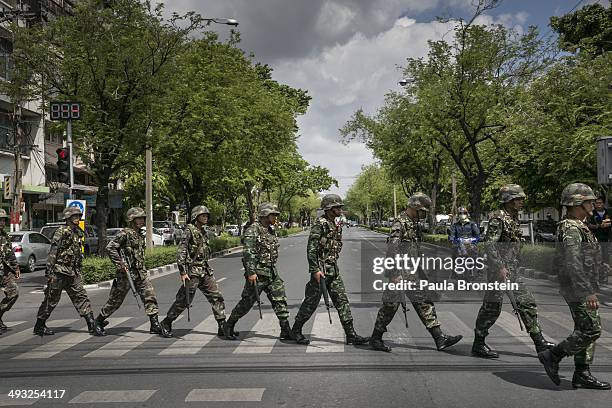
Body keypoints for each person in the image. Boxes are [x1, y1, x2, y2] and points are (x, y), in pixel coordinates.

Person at [369, 193, 463, 352]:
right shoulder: (400, 223)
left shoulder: (414, 224)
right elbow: (392, 249)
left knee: (424, 302)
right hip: (400, 274)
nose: (424, 215)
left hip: (412, 274)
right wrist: (393, 274)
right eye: (423, 211)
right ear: (414, 207)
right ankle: (375, 338)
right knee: (389, 306)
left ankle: (439, 338)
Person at [538, 183, 610, 389]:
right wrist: (587, 291)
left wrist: (603, 267)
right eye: (589, 200)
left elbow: (585, 257)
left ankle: (582, 373)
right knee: (591, 329)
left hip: (583, 285)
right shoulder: (571, 228)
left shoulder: (580, 225)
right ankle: (552, 355)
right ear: (578, 203)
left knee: (584, 328)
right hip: (577, 288)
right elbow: (573, 262)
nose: (593, 203)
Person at [471, 184, 554, 358]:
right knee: (491, 308)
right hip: (499, 272)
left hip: (512, 271)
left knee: (526, 303)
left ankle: (539, 341)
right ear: (508, 200)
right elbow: (490, 244)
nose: (521, 202)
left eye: (521, 199)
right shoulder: (498, 219)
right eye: (518, 199)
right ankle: (478, 343)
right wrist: (500, 267)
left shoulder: (512, 217)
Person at [292, 194, 369, 346]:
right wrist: (314, 269)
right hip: (320, 272)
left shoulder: (334, 223)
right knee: (311, 302)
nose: (340, 209)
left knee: (342, 301)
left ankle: (351, 334)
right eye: (337, 207)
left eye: (340, 207)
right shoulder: (319, 224)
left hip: (333, 270)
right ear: (329, 208)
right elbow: (311, 248)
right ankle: (296, 330)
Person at [223, 203, 294, 341]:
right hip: (258, 274)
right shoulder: (253, 230)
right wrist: (251, 273)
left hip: (271, 272)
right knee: (247, 302)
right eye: (273, 215)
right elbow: (248, 253)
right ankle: (229, 325)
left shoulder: (270, 230)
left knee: (280, 299)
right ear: (265, 215)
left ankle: (285, 329)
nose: (275, 217)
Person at [96, 207, 171, 338]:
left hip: (140, 273)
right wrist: (120, 264)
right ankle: (99, 321)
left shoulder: (139, 235)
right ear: (132, 219)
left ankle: (154, 324)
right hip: (126, 274)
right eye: (139, 218)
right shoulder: (124, 233)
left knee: (150, 296)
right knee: (115, 301)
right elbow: (110, 248)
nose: (142, 221)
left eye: (143, 218)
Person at [34, 206, 104, 336]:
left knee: (81, 296)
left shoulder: (78, 232)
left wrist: (78, 269)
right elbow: (53, 251)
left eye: (78, 216)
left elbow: (77, 253)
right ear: (68, 218)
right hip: (59, 271)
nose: (77, 218)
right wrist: (49, 272)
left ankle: (91, 324)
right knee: (51, 299)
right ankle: (39, 325)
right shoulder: (62, 232)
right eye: (74, 216)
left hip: (72, 272)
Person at [161, 205, 228, 336]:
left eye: (207, 216)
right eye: (203, 215)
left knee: (216, 297)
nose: (206, 218)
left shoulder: (203, 231)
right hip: (193, 272)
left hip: (205, 271)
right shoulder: (189, 230)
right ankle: (167, 322)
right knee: (184, 300)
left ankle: (222, 325)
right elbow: (182, 251)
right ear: (196, 217)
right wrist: (183, 272)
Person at [0, 209, 19, 334]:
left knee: (13, 293)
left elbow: (10, 253)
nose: (1, 222)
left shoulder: (5, 235)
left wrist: (16, 267)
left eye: (3, 220)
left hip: (5, 271)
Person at [587, 197, 611, 284]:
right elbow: (588, 225)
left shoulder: (608, 212)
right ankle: (594, 279)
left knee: (605, 259)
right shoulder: (592, 214)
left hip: (606, 239)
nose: (598, 204)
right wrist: (598, 226)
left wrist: (608, 224)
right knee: (595, 259)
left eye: (600, 203)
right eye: (597, 203)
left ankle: (604, 278)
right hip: (595, 239)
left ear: (603, 204)